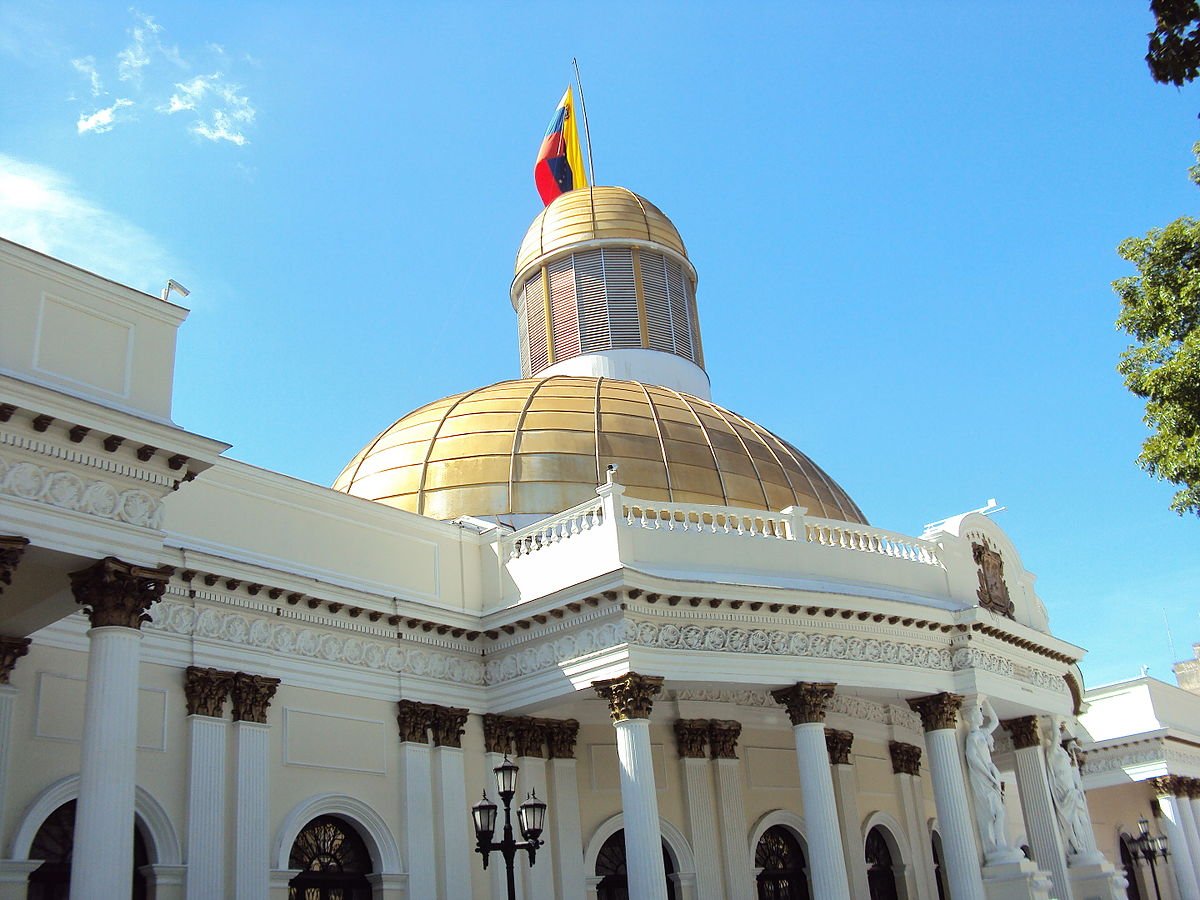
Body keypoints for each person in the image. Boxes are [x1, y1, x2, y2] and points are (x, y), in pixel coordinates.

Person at [964, 698, 1020, 863]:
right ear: (973, 717)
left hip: (990, 774)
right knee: (992, 813)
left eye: (981, 712)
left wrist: (984, 700)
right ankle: (995, 845)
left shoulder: (982, 734)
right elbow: (972, 759)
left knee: (999, 811)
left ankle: (1000, 843)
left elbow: (994, 721)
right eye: (979, 713)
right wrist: (988, 775)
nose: (982, 716)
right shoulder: (972, 738)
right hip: (982, 777)